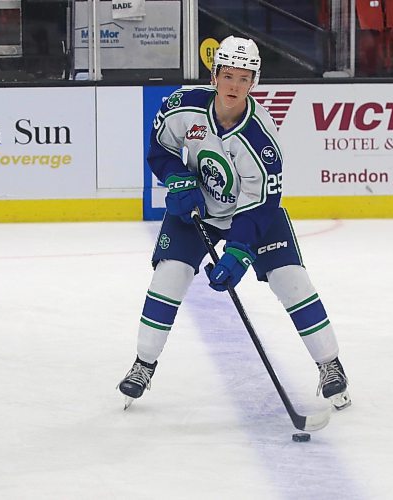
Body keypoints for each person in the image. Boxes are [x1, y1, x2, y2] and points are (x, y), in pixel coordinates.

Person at [118, 36, 351, 410]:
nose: (234, 86)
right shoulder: (183, 108)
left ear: (254, 82)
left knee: (292, 281)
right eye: (228, 76)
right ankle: (143, 365)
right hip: (197, 211)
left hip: (254, 214)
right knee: (169, 276)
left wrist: (240, 251)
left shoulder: (262, 137)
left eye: (244, 78)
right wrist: (177, 177)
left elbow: (262, 204)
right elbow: (159, 149)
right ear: (215, 75)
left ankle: (330, 365)